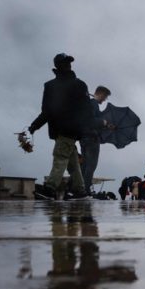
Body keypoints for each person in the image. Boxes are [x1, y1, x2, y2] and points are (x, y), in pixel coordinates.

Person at [28, 53, 91, 200]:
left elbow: (87, 110)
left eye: (69, 62)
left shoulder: (77, 85)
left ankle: (49, 188)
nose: (69, 65)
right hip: (65, 131)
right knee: (72, 161)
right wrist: (33, 126)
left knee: (60, 158)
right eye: (65, 62)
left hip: (67, 131)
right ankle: (79, 190)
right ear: (58, 66)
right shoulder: (56, 86)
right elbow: (47, 112)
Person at [80, 86, 112, 192]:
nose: (104, 100)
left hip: (84, 137)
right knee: (91, 165)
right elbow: (91, 120)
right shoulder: (93, 104)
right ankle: (86, 189)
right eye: (105, 97)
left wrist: (106, 125)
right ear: (101, 94)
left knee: (85, 165)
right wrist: (103, 122)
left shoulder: (88, 103)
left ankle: (80, 188)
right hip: (91, 138)